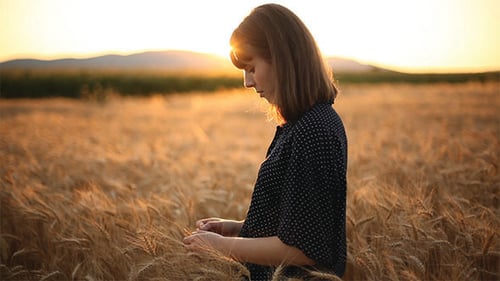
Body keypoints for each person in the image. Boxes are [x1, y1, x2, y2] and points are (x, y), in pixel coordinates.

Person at [183, 3, 347, 280]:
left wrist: (225, 247)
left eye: (252, 67)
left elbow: (306, 249)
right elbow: (297, 223)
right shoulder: (298, 125)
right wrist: (238, 228)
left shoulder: (314, 129)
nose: (247, 82)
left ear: (282, 59)